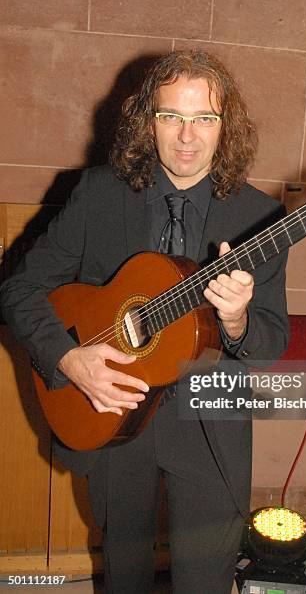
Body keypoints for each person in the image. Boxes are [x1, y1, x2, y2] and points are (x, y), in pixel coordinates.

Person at [0, 50, 289, 593]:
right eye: (170, 116)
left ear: (226, 128)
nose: (187, 136)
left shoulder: (258, 220)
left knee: (205, 580)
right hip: (112, 412)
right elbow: (19, 289)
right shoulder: (98, 196)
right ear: (145, 120)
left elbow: (271, 340)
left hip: (210, 422)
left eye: (205, 118)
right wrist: (67, 357)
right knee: (125, 575)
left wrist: (236, 322)